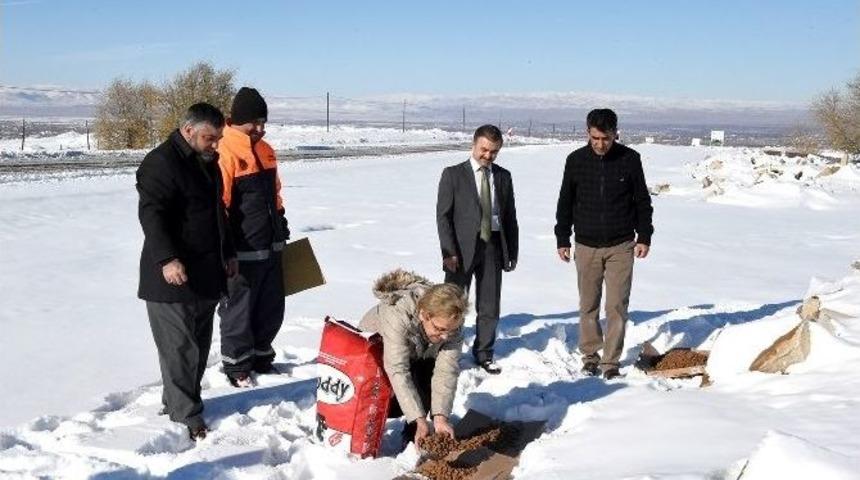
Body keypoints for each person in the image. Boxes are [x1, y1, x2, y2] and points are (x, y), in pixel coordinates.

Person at [136, 103, 237, 441]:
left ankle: (178, 402)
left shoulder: (206, 162)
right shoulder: (160, 163)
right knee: (179, 349)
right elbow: (153, 215)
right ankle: (187, 416)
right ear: (189, 130)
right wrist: (167, 259)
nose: (215, 145)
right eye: (210, 138)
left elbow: (216, 215)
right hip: (171, 278)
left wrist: (229, 253)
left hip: (206, 274)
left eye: (219, 139)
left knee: (197, 347)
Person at [554, 108, 654, 380]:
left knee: (617, 306)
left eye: (606, 139)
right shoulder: (575, 160)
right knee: (588, 305)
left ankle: (610, 361)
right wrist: (562, 237)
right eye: (596, 138)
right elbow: (565, 202)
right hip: (586, 245)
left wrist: (644, 236)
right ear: (587, 132)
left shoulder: (630, 159)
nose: (600, 144)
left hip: (621, 245)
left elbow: (642, 202)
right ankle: (590, 355)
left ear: (615, 134)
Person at [217, 87, 291, 388]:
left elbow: (275, 194)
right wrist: (225, 248)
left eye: (263, 123)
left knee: (271, 306)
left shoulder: (266, 150)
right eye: (254, 124)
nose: (260, 129)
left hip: (271, 245)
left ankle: (262, 356)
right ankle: (237, 366)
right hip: (242, 251)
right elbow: (219, 204)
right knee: (239, 310)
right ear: (235, 120)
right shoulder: (225, 151)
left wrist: (281, 221)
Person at [436, 124, 519, 375]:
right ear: (473, 145)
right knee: (450, 305)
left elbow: (510, 217)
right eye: (484, 150)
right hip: (459, 253)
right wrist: (448, 252)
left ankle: (484, 353)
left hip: (492, 246)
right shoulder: (453, 174)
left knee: (489, 305)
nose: (488, 156)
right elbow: (443, 217)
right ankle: (447, 353)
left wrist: (511, 252)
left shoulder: (503, 176)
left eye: (493, 152)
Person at [359, 269, 468, 447]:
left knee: (428, 372)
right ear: (424, 315)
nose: (445, 337)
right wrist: (417, 418)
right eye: (440, 329)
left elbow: (446, 371)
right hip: (373, 358)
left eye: (451, 331)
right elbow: (397, 369)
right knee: (385, 402)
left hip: (415, 354)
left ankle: (414, 436)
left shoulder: (451, 322)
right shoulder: (397, 313)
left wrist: (440, 417)